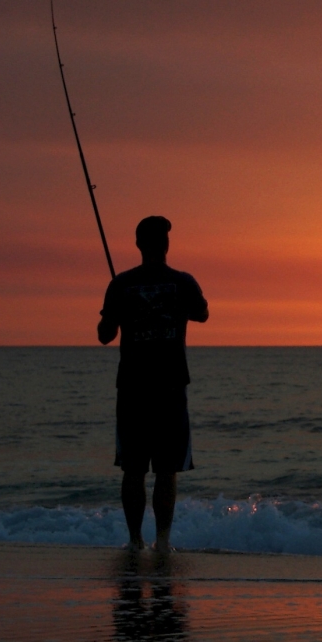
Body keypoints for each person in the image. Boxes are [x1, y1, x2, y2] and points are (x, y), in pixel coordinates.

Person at [98, 216, 209, 553]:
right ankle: (162, 542)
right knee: (166, 469)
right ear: (166, 244)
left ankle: (135, 542)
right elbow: (202, 314)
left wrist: (115, 311)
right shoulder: (182, 282)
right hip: (170, 388)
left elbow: (104, 335)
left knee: (133, 468)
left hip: (132, 388)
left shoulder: (121, 284)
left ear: (138, 244)